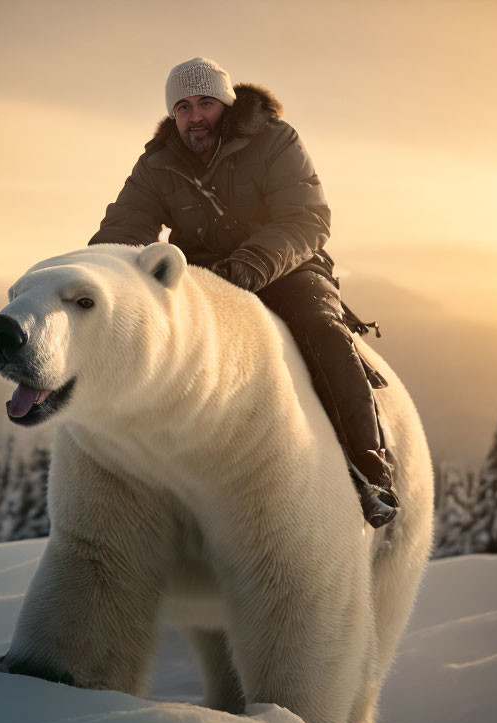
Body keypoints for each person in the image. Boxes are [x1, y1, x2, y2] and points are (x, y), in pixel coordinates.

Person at [89, 57, 398, 527]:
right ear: (173, 115)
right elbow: (125, 227)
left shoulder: (275, 139)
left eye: (206, 103)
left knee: (321, 330)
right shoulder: (157, 163)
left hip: (289, 268)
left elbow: (306, 218)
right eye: (184, 107)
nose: (195, 116)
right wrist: (98, 276)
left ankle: (370, 469)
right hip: (202, 278)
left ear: (226, 104)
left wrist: (252, 264)